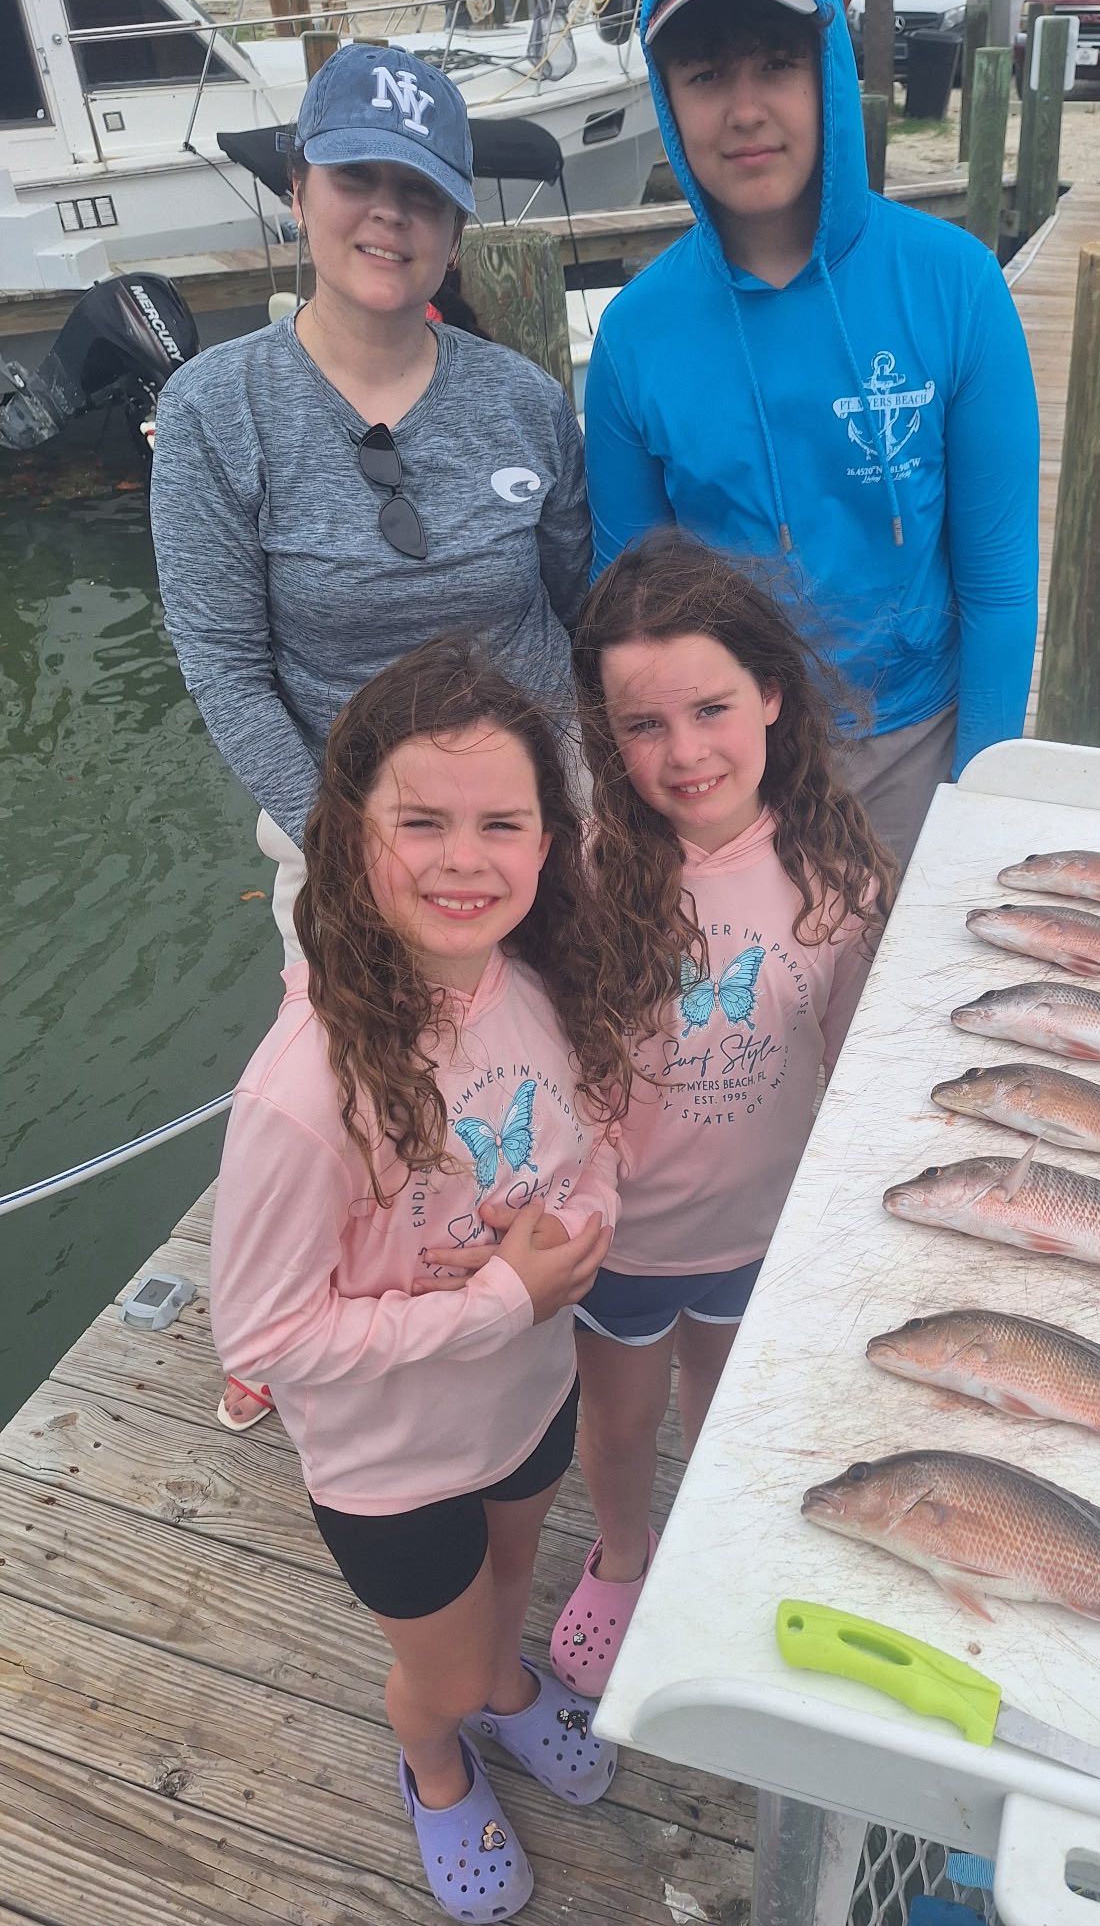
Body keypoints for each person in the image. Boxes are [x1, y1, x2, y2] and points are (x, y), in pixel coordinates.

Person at [151, 43, 590, 1429]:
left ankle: (512, 1258)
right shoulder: (218, 412)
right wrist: (354, 850)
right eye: (359, 179)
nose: (388, 217)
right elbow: (222, 660)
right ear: (301, 188)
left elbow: (578, 607)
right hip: (343, 829)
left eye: (423, 192)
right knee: (351, 1077)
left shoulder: (525, 399)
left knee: (527, 1052)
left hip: (523, 820)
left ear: (458, 223)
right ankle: (299, 1306)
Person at [419, 529, 896, 1694]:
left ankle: (725, 1545)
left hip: (762, 1229)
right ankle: (626, 1550)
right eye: (643, 725)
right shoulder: (573, 873)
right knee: (620, 1428)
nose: (685, 752)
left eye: (713, 708)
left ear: (773, 695)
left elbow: (847, 1061)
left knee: (725, 1414)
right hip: (619, 1240)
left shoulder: (842, 876)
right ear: (605, 733)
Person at [210, 638, 626, 1923]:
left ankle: (507, 1683)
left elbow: (587, 1133)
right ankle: (439, 1754)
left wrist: (584, 1212)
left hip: (527, 1397)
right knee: (431, 1668)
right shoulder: (301, 1092)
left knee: (512, 1578)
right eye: (422, 822)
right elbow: (266, 1325)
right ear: (349, 837)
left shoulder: (542, 985)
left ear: (549, 842)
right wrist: (500, 1299)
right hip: (395, 1459)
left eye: (503, 821)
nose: (466, 858)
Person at [583, 0, 1040, 873]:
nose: (745, 110)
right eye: (705, 75)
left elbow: (999, 587)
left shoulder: (955, 284)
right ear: (666, 96)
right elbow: (623, 615)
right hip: (729, 774)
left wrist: (979, 808)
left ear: (828, 68)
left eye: (777, 65)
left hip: (923, 743)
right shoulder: (632, 340)